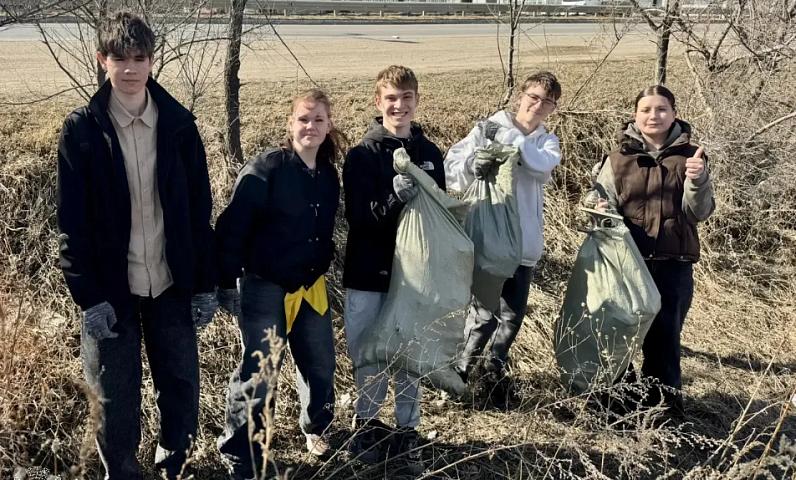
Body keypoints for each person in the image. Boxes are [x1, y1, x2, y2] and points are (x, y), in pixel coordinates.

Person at [55, 12, 216, 479]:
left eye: (140, 58)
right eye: (119, 58)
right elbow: (71, 222)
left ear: (152, 61)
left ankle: (175, 464)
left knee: (181, 383)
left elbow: (197, 212)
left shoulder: (180, 126)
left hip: (170, 282)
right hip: (111, 288)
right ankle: (122, 472)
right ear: (102, 60)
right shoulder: (82, 131)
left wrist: (205, 284)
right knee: (113, 395)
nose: (130, 69)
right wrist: (88, 297)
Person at [215, 89, 345, 479]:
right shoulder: (265, 169)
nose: (311, 126)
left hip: (310, 285)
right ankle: (240, 451)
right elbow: (231, 227)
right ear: (290, 124)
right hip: (265, 285)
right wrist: (224, 281)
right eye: (304, 119)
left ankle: (316, 429)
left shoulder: (327, 174)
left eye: (319, 120)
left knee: (321, 364)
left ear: (328, 126)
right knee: (259, 371)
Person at [342, 65, 445, 474]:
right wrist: (393, 197)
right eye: (391, 98)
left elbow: (442, 216)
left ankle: (408, 431)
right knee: (369, 354)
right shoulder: (362, 155)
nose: (399, 106)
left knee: (409, 357)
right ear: (378, 102)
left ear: (417, 100)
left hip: (416, 279)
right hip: (369, 274)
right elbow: (358, 217)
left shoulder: (431, 154)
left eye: (406, 98)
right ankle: (365, 424)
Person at [588, 85, 715, 417]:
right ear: (635, 116)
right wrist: (600, 207)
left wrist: (697, 181)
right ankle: (617, 409)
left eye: (661, 109)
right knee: (620, 339)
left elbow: (698, 213)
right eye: (646, 109)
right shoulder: (617, 159)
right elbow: (602, 212)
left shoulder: (693, 158)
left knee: (664, 343)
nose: (653, 116)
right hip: (628, 265)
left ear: (674, 113)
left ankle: (664, 416)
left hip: (674, 266)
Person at [444, 72, 563, 394]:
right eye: (533, 97)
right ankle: (458, 377)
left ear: (553, 109)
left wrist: (508, 141)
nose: (538, 106)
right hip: (488, 242)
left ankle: (493, 374)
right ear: (520, 95)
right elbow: (452, 171)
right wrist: (473, 164)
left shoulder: (546, 143)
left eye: (547, 102)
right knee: (483, 314)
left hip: (524, 244)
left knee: (512, 316)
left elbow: (541, 165)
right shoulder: (487, 129)